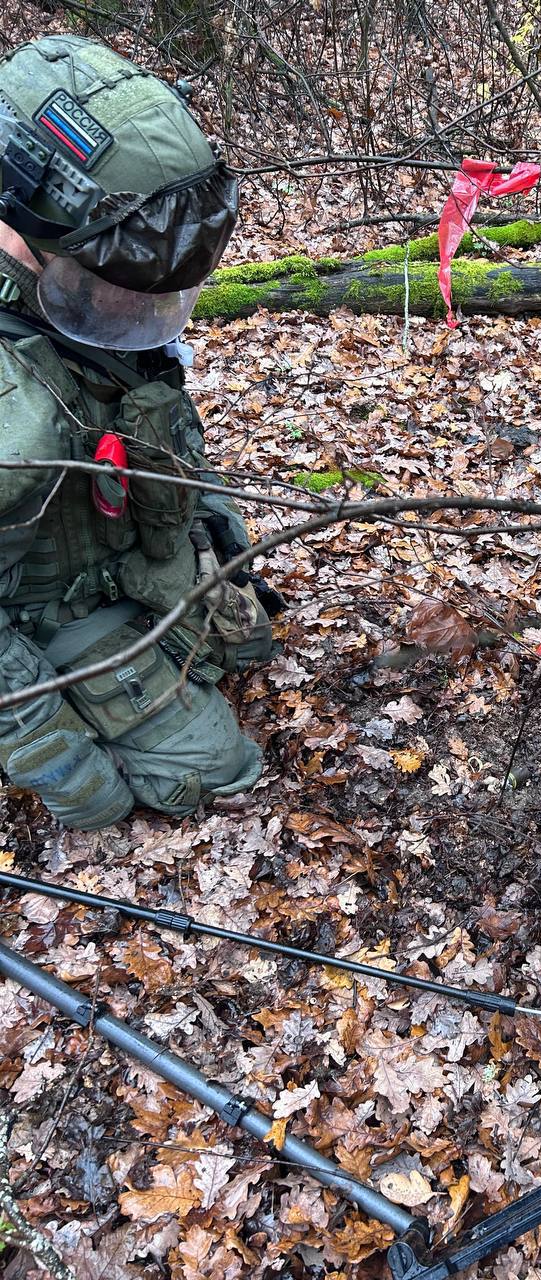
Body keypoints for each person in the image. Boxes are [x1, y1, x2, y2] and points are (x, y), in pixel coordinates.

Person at [0, 34, 279, 830]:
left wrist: (219, 542)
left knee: (249, 646)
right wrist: (57, 756)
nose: (141, 317)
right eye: (119, 293)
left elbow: (158, 412)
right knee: (214, 773)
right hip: (35, 599)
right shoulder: (12, 405)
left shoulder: (117, 251)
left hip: (109, 542)